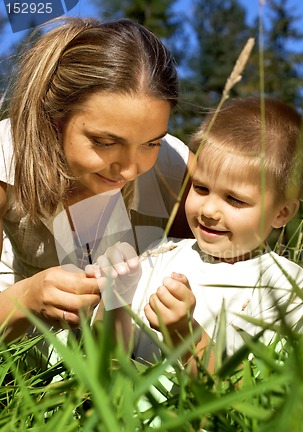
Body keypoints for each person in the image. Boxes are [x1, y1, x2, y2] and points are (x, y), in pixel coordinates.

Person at [0, 17, 192, 343]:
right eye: (105, 142)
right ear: (55, 118)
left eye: (151, 142)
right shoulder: (6, 158)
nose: (130, 169)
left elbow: (212, 268)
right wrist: (27, 297)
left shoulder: (175, 165)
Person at [125, 96, 303, 372]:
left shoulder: (282, 285)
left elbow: (256, 394)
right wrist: (112, 297)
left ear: (282, 212)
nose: (210, 210)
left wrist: (186, 336)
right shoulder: (161, 253)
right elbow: (115, 351)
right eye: (201, 188)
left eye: (235, 199)